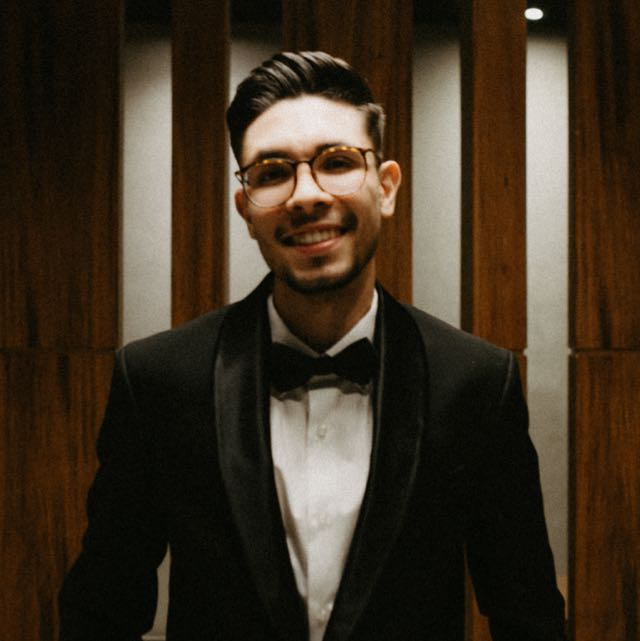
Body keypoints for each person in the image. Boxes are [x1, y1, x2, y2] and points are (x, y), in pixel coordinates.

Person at [59, 51, 566, 641]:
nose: (306, 195)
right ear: (246, 209)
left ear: (386, 187)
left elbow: (528, 619)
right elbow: (101, 612)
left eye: (337, 161)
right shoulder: (158, 381)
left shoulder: (476, 383)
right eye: (272, 173)